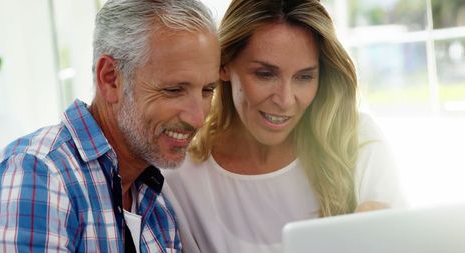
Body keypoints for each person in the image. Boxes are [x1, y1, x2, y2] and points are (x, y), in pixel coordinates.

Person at [162, 0, 406, 252]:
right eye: (265, 74)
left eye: (304, 77)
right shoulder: (180, 175)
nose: (286, 100)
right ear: (223, 65)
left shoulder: (356, 141)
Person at [0, 0, 220, 252]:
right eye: (174, 90)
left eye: (208, 90)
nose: (198, 118)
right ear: (110, 79)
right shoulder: (36, 177)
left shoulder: (157, 204)